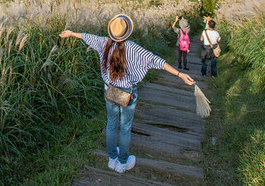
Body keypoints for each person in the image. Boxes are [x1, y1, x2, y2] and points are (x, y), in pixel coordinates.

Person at [60, 14, 195, 174]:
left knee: (111, 123)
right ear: (127, 32)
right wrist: (179, 75)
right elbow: (157, 61)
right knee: (125, 127)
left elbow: (87, 37)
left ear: (111, 31)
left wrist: (71, 33)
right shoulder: (132, 48)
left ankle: (112, 158)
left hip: (109, 90)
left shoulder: (104, 43)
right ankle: (122, 162)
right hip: (127, 93)